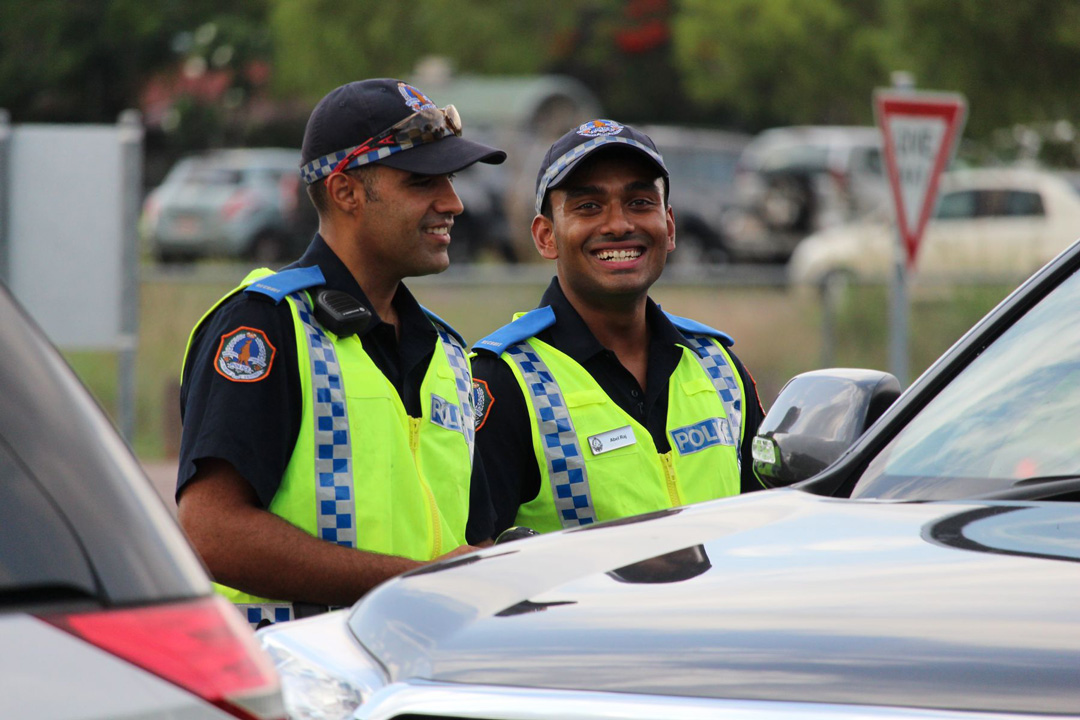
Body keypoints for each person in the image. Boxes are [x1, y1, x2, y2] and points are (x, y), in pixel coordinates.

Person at [176, 79, 506, 627]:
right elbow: (212, 531)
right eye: (422, 181)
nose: (453, 202)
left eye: (449, 178)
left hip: (424, 677)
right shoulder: (267, 324)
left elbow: (473, 541)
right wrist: (410, 586)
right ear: (346, 191)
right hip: (303, 686)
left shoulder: (447, 350)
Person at [470, 119, 764, 537]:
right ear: (546, 236)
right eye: (588, 206)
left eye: (640, 202)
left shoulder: (718, 367)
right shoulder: (504, 380)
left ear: (670, 226)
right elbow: (472, 566)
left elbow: (769, 526)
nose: (618, 224)